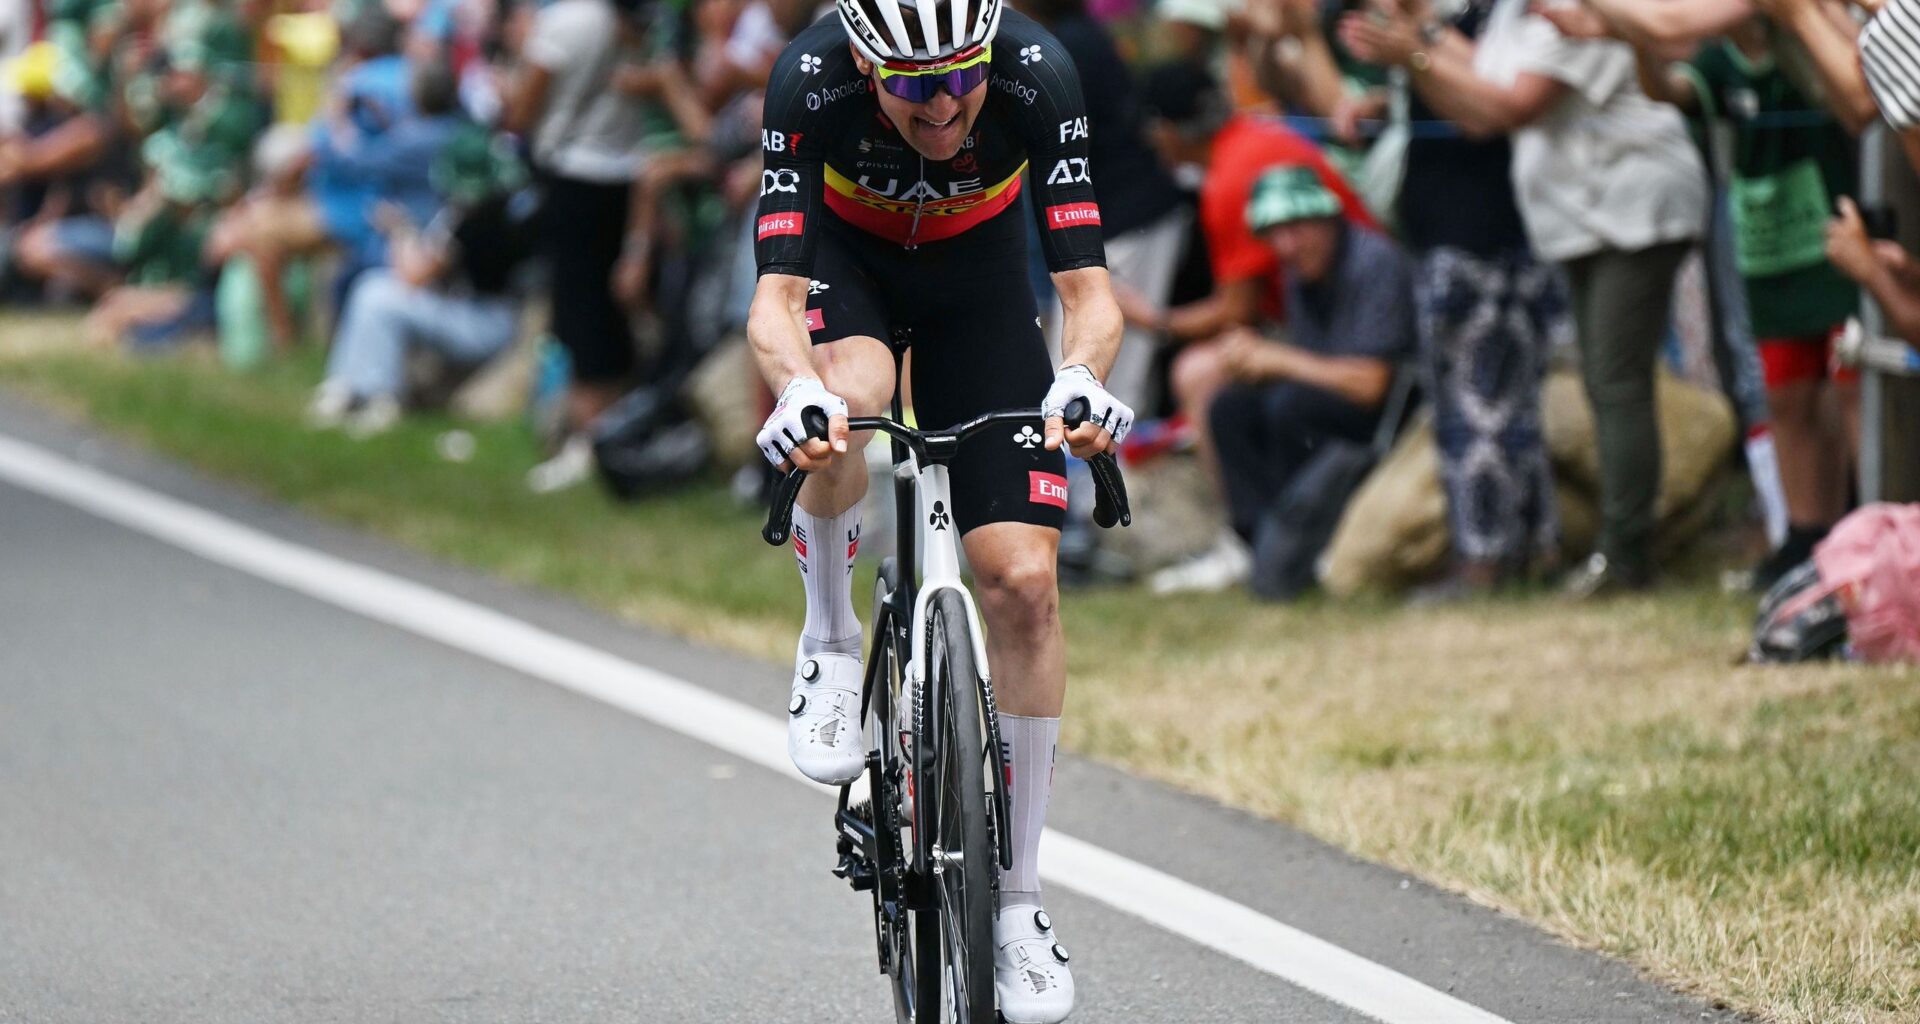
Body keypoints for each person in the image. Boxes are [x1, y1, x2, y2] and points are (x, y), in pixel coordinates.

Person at [747, 0, 1129, 1017]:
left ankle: (1019, 903)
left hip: (978, 283)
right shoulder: (811, 78)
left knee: (1025, 585)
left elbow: (1088, 291)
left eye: (964, 77)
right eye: (916, 85)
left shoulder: (1037, 71)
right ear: (866, 64)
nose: (946, 106)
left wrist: (1082, 377)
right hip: (848, 271)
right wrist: (797, 392)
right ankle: (830, 637)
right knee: (850, 401)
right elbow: (773, 304)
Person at [1344, 0, 1708, 596]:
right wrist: (1420, 36)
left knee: (1617, 384)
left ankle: (1626, 559)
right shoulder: (1515, 14)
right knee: (1606, 384)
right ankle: (1604, 552)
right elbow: (1481, 75)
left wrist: (1414, 53)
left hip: (1633, 208)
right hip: (1582, 218)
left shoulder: (1582, 8)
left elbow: (1509, 106)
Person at [1629, 14, 1860, 588]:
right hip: (1767, 250)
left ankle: (1868, 528)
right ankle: (1804, 538)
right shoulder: (1717, 60)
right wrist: (1633, 37)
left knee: (1851, 387)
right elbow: (1668, 88)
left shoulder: (1809, 38)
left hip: (1835, 240)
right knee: (1785, 395)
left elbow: (1855, 100)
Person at [1209, 165, 1415, 572]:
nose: (1285, 245)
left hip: (1389, 418)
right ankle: (1256, 543)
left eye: (1296, 228)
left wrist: (1279, 359)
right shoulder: (1300, 270)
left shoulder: (1373, 262)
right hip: (1328, 399)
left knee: (1290, 407)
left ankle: (1304, 543)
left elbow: (1373, 385)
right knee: (1230, 408)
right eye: (1273, 233)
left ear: (1328, 219)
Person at [504, 0, 648, 493]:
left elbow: (521, 111)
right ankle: (604, 431)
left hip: (573, 176)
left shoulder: (566, 21)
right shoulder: (633, 20)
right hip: (624, 175)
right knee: (608, 311)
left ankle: (588, 440)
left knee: (580, 311)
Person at [308, 125, 535, 436]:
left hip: (486, 323)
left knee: (377, 295)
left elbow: (412, 275)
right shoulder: (497, 211)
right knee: (373, 289)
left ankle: (378, 396)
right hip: (476, 315)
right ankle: (348, 387)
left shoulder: (481, 220)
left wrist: (399, 229)